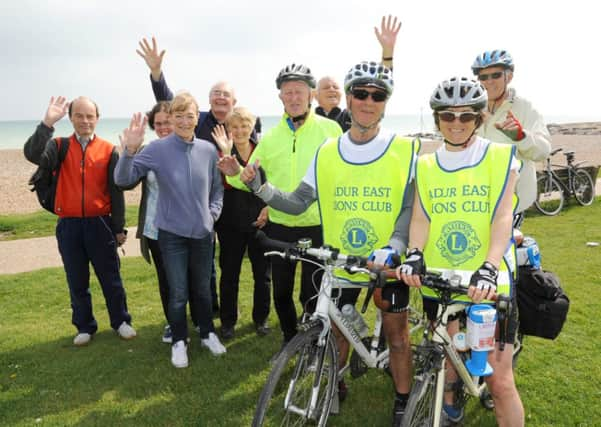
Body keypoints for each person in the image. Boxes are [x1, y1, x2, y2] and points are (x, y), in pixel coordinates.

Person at [219, 60, 418, 426]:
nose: (367, 101)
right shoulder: (328, 150)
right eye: (360, 93)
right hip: (341, 258)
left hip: (386, 260)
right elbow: (297, 201)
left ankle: (404, 399)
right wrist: (258, 188)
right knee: (338, 329)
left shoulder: (404, 149)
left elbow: (410, 206)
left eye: (377, 95)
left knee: (398, 337)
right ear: (350, 97)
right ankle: (332, 386)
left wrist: (396, 244)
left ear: (386, 102)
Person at [398, 77, 524, 426]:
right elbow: (422, 217)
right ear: (437, 118)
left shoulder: (500, 157)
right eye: (448, 116)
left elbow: (501, 216)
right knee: (450, 357)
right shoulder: (424, 164)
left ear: (479, 118)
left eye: (466, 116)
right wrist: (414, 253)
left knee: (499, 381)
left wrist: (489, 265)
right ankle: (450, 405)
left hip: (489, 278)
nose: (456, 123)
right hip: (444, 276)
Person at [221, 63, 342, 353]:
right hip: (280, 227)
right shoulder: (272, 138)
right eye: (288, 92)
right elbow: (251, 178)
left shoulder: (331, 130)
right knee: (282, 292)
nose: (294, 97)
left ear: (311, 94)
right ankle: (290, 339)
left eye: (299, 91)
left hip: (317, 225)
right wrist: (234, 172)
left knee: (311, 294)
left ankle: (313, 342)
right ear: (281, 97)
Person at [115, 92, 226, 368]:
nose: (185, 121)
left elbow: (217, 190)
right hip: (171, 235)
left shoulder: (208, 149)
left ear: (196, 116)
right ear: (172, 119)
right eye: (179, 116)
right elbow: (123, 179)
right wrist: (129, 151)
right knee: (178, 292)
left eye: (190, 116)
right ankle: (179, 340)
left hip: (202, 233)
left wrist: (211, 217)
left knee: (202, 289)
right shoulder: (156, 149)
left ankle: (207, 333)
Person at [24, 96, 136, 346]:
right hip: (69, 225)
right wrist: (46, 123)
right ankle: (85, 326)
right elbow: (32, 154)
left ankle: (121, 321)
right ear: (71, 118)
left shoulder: (108, 150)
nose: (85, 121)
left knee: (111, 278)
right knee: (77, 279)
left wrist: (118, 228)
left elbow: (116, 193)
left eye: (90, 116)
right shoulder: (58, 145)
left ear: (97, 119)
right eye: (79, 116)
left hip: (101, 223)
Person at [131, 101, 200, 344]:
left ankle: (200, 322)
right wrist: (129, 150)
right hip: (156, 229)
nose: (162, 127)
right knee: (168, 281)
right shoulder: (148, 151)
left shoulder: (191, 148)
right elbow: (125, 181)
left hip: (188, 229)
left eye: (167, 122)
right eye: (157, 123)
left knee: (193, 279)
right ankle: (174, 324)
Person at [210, 107, 271, 340]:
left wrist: (268, 209)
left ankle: (261, 318)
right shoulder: (224, 153)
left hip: (260, 221)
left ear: (252, 127)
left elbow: (271, 183)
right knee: (229, 274)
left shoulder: (263, 152)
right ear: (228, 129)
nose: (240, 130)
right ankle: (227, 322)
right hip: (230, 222)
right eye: (234, 126)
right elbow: (225, 183)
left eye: (245, 126)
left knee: (263, 275)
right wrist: (226, 153)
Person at [471, 49, 551, 226]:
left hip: (512, 202)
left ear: (509, 76)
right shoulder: (473, 109)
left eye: (496, 75)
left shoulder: (524, 107)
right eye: (483, 77)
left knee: (505, 252)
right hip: (476, 201)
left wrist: (521, 136)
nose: (489, 82)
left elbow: (543, 151)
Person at [314, 15, 400, 132]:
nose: (332, 90)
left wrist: (388, 52)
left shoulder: (350, 116)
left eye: (335, 87)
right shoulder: (307, 120)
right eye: (326, 87)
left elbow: (381, 83)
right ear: (315, 95)